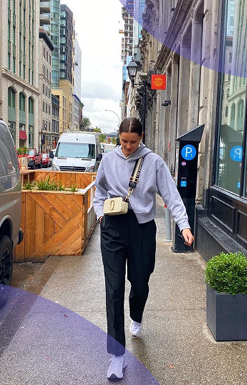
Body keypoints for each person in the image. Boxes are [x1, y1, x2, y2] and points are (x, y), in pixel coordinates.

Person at [93, 117, 194, 380]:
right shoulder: (108, 160)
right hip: (113, 227)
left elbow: (171, 195)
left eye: (133, 142)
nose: (127, 147)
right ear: (119, 137)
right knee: (113, 288)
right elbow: (99, 191)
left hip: (142, 228)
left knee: (140, 282)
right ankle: (117, 355)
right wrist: (100, 216)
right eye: (123, 141)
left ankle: (136, 316)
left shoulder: (154, 162)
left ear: (141, 137)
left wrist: (184, 226)